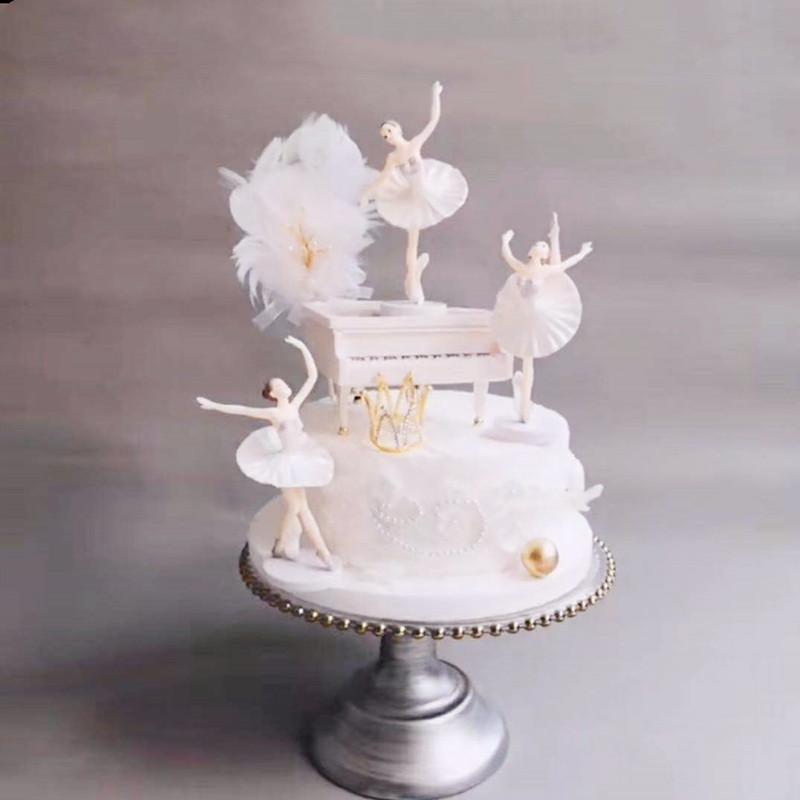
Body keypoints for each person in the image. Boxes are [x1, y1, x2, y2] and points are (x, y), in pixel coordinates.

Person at [197, 336, 337, 568]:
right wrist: (214, 405)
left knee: (299, 508)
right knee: (299, 508)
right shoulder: (274, 414)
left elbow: (312, 377)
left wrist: (302, 347)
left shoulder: (294, 406)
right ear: (273, 394)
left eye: (283, 382)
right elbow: (241, 409)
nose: (284, 385)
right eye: (278, 385)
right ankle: (315, 552)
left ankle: (289, 547)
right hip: (285, 464)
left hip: (299, 459)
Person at [359, 81, 468, 303]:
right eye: (384, 136)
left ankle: (415, 278)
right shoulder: (393, 158)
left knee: (416, 235)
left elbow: (433, 120)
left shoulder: (415, 144)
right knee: (411, 243)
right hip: (410, 197)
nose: (388, 136)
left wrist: (435, 94)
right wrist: (366, 194)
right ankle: (412, 280)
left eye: (389, 131)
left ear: (398, 130)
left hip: (428, 190)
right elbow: (382, 180)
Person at [491, 213, 593, 422]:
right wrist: (505, 240)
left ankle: (525, 404)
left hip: (537, 316)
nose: (541, 245)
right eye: (539, 244)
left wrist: (579, 250)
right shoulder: (523, 268)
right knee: (521, 354)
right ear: (531, 252)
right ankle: (523, 403)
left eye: (544, 246)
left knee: (529, 357)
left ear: (545, 255)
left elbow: (566, 263)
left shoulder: (546, 270)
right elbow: (508, 257)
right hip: (520, 314)